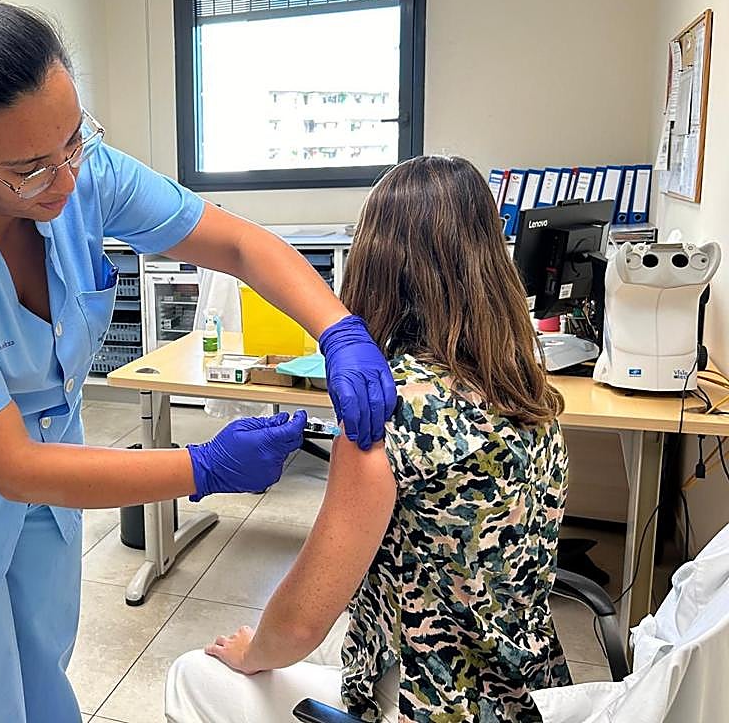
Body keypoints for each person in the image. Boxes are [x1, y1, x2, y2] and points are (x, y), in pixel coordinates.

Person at [0, 0, 397, 723]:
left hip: (41, 473)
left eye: (74, 140)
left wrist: (337, 328)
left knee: (43, 675)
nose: (65, 180)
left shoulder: (80, 170)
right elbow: (12, 466)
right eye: (30, 168)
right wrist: (202, 468)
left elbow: (241, 244)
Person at [166, 155, 572, 723]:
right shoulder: (528, 388)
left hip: (426, 705)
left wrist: (252, 651)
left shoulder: (385, 414)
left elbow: (299, 626)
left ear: (373, 263)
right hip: (522, 696)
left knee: (195, 674)